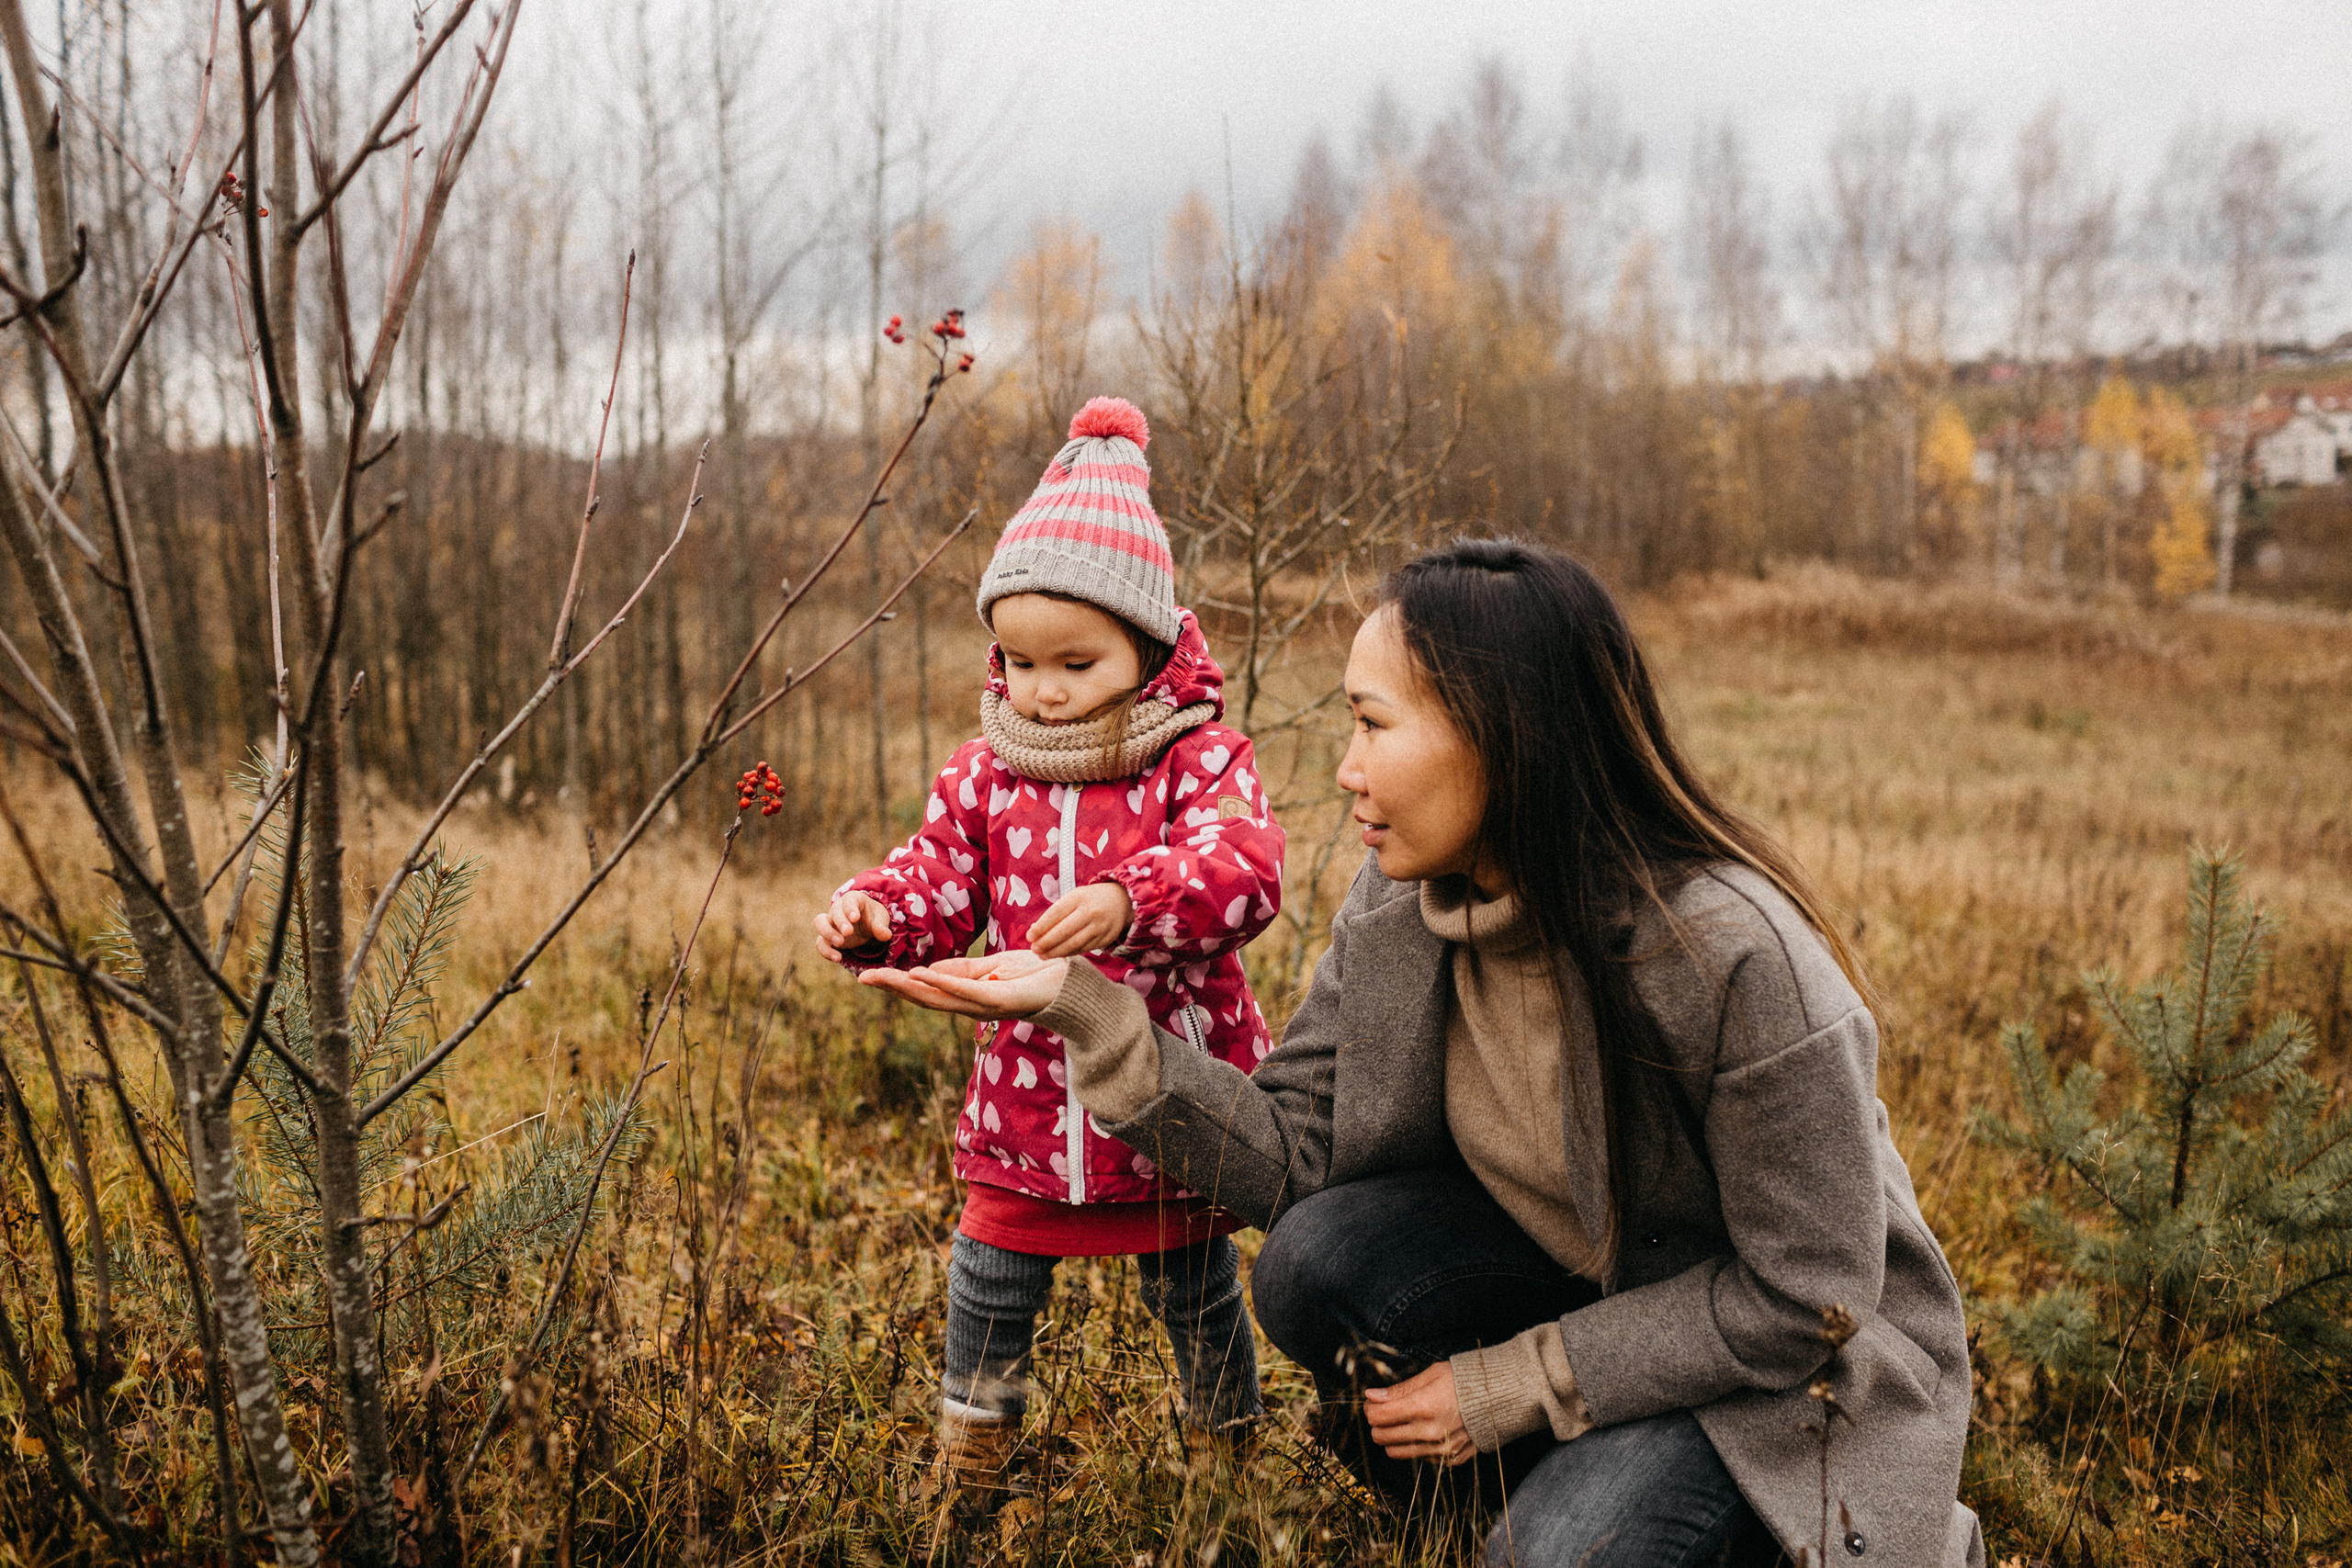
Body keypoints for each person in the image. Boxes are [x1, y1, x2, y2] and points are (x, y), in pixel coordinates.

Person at [862, 538, 1984, 1568]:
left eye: (1371, 724)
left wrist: (1512, 1386)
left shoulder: (1733, 961)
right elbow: (1294, 1156)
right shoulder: (1403, 902)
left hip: (1779, 1383)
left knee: (1560, 1556)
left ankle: (1839, 1538)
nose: (1345, 771)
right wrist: (1088, 1012)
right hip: (1586, 1287)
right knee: (1311, 1260)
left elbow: (1812, 1301)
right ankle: (1548, 1496)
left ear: (1502, 734)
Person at [815, 396, 1286, 1529]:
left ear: (1149, 643)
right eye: (1018, 660)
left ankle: (1222, 1463)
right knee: (991, 1272)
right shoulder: (987, 773)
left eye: (1074, 660)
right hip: (1025, 1097)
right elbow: (939, 874)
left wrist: (1136, 897)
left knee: (1191, 1283)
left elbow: (1246, 870)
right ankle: (971, 1468)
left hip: (1169, 1087)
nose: (1042, 688)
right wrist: (884, 916)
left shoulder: (1195, 759)